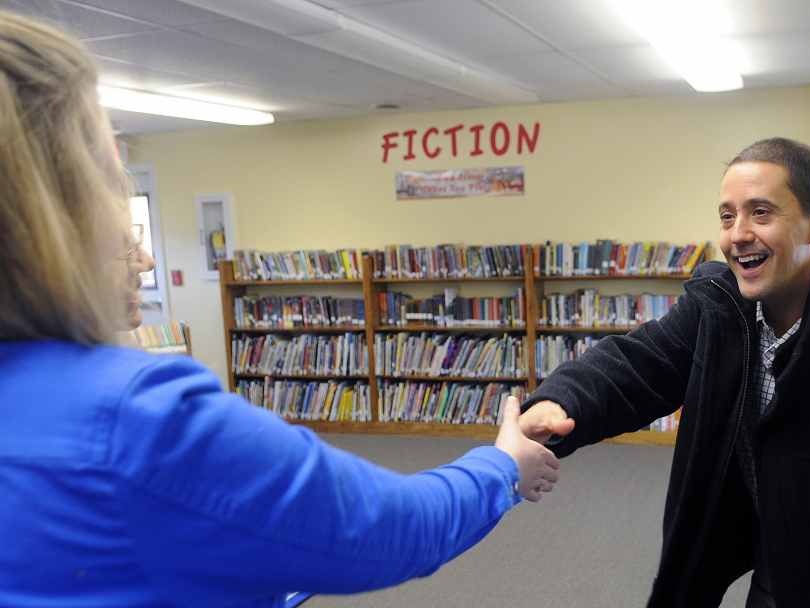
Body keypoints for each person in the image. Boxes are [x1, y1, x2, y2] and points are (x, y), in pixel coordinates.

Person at [0, 10, 559, 607]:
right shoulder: (144, 420)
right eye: (113, 184)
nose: (141, 255)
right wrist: (501, 466)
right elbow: (395, 529)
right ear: (58, 212)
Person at [519, 137, 810, 607]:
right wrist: (552, 405)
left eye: (761, 213)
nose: (737, 234)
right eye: (727, 216)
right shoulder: (719, 307)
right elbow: (636, 362)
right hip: (755, 533)